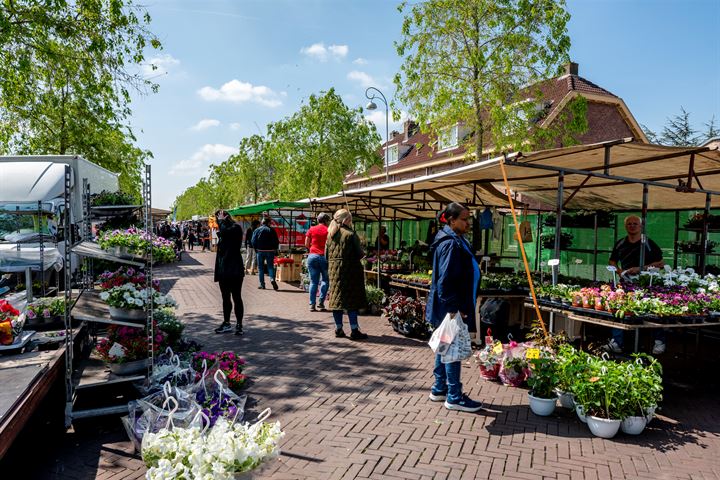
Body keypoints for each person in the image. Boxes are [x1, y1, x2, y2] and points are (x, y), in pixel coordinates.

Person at [426, 202, 483, 413]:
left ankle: (439, 388)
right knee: (452, 349)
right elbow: (446, 279)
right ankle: (454, 396)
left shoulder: (453, 239)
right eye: (464, 219)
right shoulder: (450, 243)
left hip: (448, 305)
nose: (468, 223)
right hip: (450, 306)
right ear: (451, 220)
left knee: (444, 344)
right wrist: (453, 308)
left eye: (468, 219)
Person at [606, 215, 666, 354]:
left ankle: (659, 341)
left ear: (641, 226)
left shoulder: (648, 243)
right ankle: (616, 342)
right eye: (629, 224)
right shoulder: (620, 243)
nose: (632, 226)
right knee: (619, 308)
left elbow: (661, 263)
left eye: (635, 224)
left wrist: (641, 268)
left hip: (646, 283)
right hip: (626, 282)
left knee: (653, 310)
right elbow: (612, 261)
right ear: (625, 226)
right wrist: (619, 271)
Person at [326, 209, 368, 340]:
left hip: (334, 272)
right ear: (346, 220)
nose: (351, 222)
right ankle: (354, 330)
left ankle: (338, 329)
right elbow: (360, 254)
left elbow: (326, 255)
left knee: (337, 301)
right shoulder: (350, 234)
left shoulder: (330, 235)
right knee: (352, 301)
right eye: (350, 219)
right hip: (350, 271)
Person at [213, 210, 245, 335]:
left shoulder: (235, 228)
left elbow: (226, 233)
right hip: (224, 270)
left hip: (234, 269)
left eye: (218, 220)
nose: (217, 222)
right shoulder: (225, 230)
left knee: (237, 297)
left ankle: (239, 324)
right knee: (225, 297)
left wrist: (221, 221)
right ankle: (227, 323)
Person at [305, 213, 331, 312]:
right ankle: (321, 302)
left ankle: (312, 304)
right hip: (324, 257)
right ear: (326, 221)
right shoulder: (328, 230)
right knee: (325, 280)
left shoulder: (312, 229)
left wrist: (312, 249)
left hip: (312, 257)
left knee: (313, 281)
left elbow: (306, 243)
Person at [252, 216, 280, 290]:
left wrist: (256, 249)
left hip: (260, 251)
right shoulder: (272, 230)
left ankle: (262, 284)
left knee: (260, 268)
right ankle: (272, 279)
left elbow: (253, 241)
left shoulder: (257, 230)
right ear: (268, 223)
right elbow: (276, 241)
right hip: (270, 251)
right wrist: (274, 249)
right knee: (270, 266)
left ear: (262, 223)